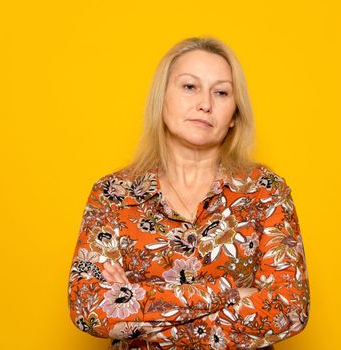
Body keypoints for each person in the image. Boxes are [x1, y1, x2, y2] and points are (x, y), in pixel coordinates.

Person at [67, 36, 310, 350]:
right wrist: (232, 294)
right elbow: (88, 308)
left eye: (221, 92)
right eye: (189, 87)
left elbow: (288, 310)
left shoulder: (264, 192)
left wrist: (136, 302)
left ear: (235, 114)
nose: (205, 104)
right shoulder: (113, 194)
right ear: (162, 99)